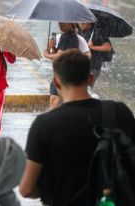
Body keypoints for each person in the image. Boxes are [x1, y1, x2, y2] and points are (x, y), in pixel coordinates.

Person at [19, 49, 135, 206]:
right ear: (90, 78)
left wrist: (51, 191)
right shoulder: (119, 112)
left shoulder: (44, 125)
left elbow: (26, 189)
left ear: (56, 82)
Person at [44, 22, 91, 109]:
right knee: (54, 100)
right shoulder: (59, 37)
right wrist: (51, 47)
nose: (61, 25)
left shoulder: (73, 38)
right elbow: (56, 54)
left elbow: (59, 56)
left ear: (71, 24)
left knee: (56, 101)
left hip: (67, 74)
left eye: (64, 23)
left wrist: (46, 54)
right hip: (60, 73)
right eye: (60, 23)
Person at [77, 22, 112, 87]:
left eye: (82, 22)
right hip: (81, 66)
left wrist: (93, 47)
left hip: (93, 66)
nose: (80, 24)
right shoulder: (79, 32)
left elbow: (108, 47)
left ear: (89, 22)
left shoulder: (98, 31)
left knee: (84, 87)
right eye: (79, 22)